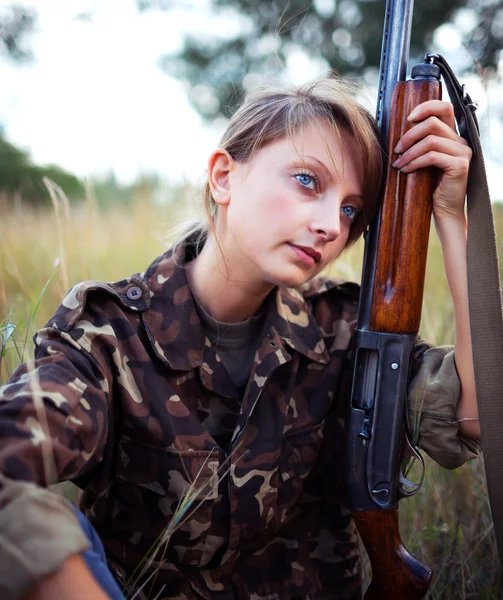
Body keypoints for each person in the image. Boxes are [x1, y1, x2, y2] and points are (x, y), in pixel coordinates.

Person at [0, 77, 480, 600]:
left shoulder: (341, 329)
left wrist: (453, 218)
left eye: (349, 210)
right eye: (307, 181)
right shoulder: (108, 334)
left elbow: (473, 412)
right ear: (223, 177)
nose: (330, 226)